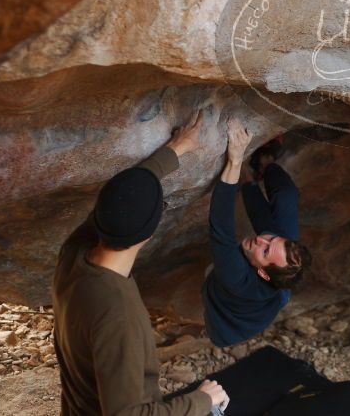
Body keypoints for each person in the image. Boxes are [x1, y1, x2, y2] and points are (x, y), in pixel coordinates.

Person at [51, 110, 229, 416]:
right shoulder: (116, 314)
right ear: (149, 234)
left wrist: (175, 150)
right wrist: (202, 401)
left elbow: (120, 200)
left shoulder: (73, 255)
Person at [202, 118, 311, 348]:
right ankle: (264, 161)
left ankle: (255, 168)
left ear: (262, 273)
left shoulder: (238, 279)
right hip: (278, 286)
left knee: (220, 265)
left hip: (228, 327)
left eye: (265, 250)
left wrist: (235, 160)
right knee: (286, 197)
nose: (260, 239)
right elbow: (265, 226)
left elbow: (221, 226)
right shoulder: (275, 257)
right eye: (271, 240)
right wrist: (249, 182)